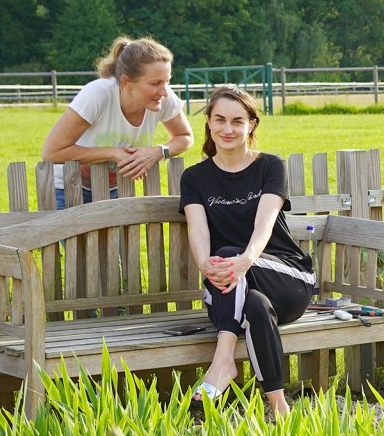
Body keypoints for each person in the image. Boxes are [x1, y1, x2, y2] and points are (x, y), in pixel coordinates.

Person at [179, 85, 315, 416]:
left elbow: (264, 225)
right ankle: (279, 406)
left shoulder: (270, 166)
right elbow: (197, 229)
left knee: (228, 252)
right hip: (230, 288)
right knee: (253, 305)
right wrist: (204, 266)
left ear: (251, 125)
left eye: (237, 121)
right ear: (209, 123)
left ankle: (223, 359)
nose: (228, 129)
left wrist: (244, 261)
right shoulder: (195, 177)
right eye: (220, 120)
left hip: (286, 277)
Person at [42, 36, 193, 208]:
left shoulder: (163, 98)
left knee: (116, 237)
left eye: (167, 81)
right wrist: (114, 153)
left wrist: (158, 152)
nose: (164, 91)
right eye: (155, 83)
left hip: (115, 191)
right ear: (126, 82)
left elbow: (185, 137)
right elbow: (51, 152)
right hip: (68, 189)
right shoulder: (98, 94)